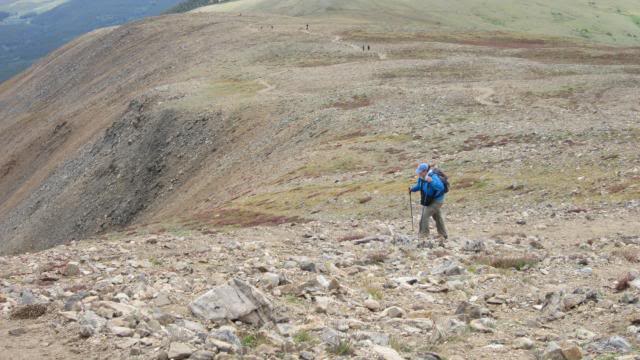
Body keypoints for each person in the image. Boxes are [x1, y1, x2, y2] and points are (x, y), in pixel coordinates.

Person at [409, 163, 448, 244]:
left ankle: (424, 235)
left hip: (437, 201)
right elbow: (419, 186)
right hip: (430, 200)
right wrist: (412, 189)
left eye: (420, 172)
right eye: (418, 172)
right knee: (437, 216)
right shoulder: (421, 178)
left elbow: (441, 187)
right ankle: (443, 235)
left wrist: (431, 181)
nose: (418, 174)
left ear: (425, 171)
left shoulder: (433, 177)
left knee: (425, 215)